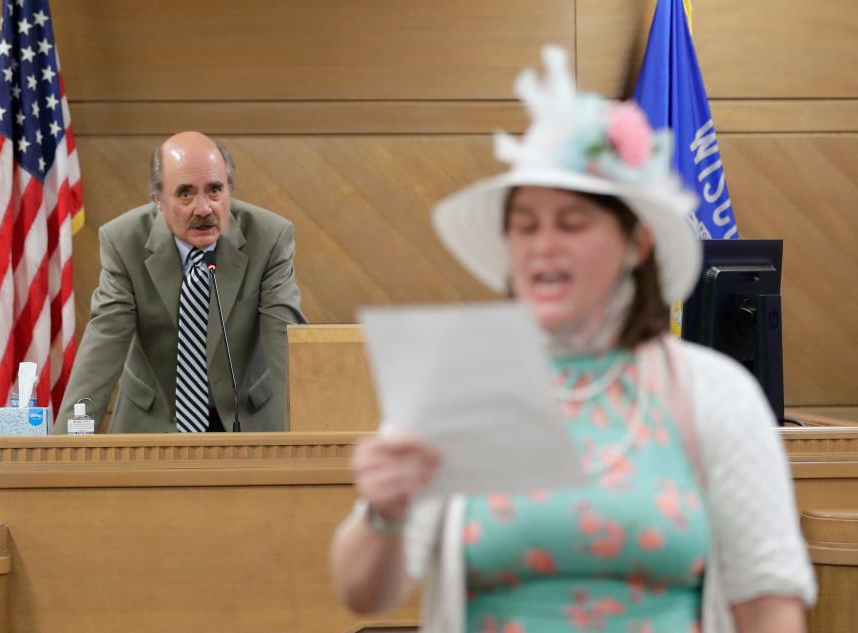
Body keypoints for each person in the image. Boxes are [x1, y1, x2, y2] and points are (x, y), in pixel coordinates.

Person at [331, 47, 815, 633]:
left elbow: (769, 604)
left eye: (572, 222)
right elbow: (363, 594)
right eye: (525, 224)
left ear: (635, 244)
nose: (543, 245)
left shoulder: (715, 393)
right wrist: (384, 511)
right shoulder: (462, 389)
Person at [55, 131, 306, 433]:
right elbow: (103, 345)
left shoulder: (268, 238)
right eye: (185, 193)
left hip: (247, 419)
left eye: (215, 190)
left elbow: (288, 344)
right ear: (158, 201)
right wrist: (67, 444)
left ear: (230, 190)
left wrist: (320, 436)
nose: (203, 209)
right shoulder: (124, 242)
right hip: (152, 420)